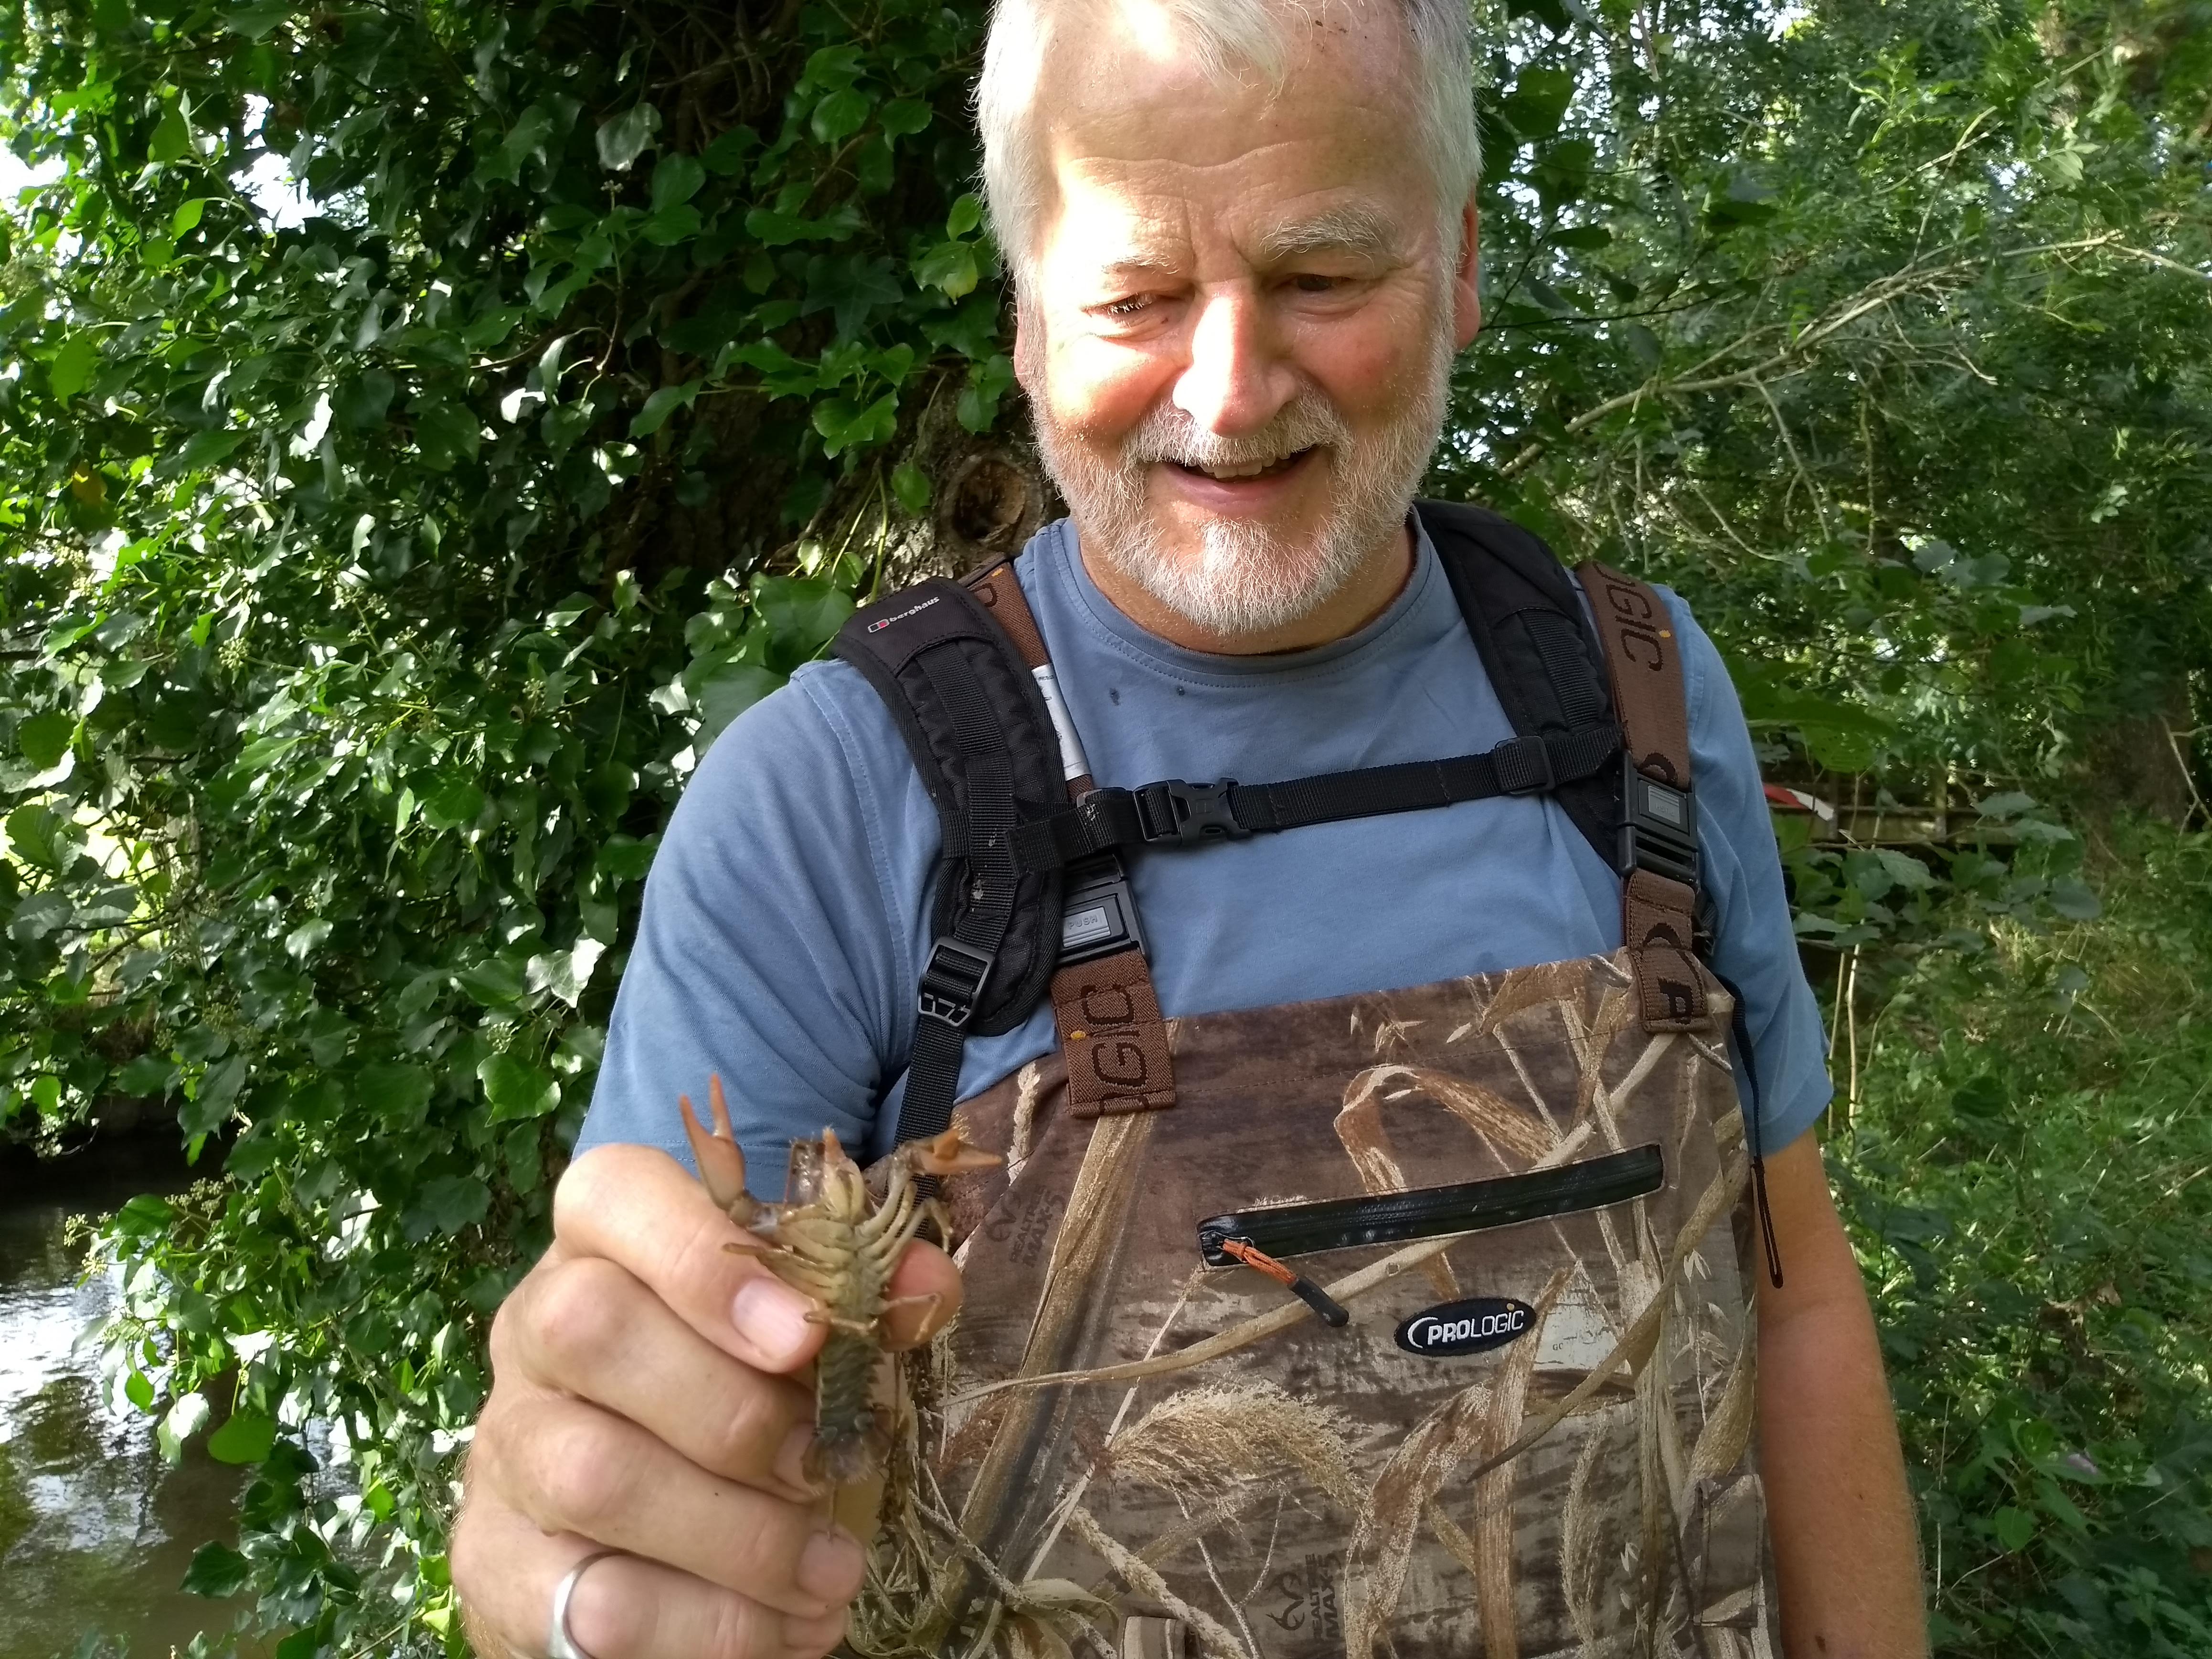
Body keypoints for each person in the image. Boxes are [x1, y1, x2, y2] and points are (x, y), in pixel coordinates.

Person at [452, 0, 1929, 1651]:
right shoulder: (828, 799)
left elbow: (1793, 1292)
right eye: (1133, 297)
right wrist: (570, 1568)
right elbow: (651, 1465)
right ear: (1026, 317)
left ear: (1458, 264)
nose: (1227, 396)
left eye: (1322, 277)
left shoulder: (1636, 695)